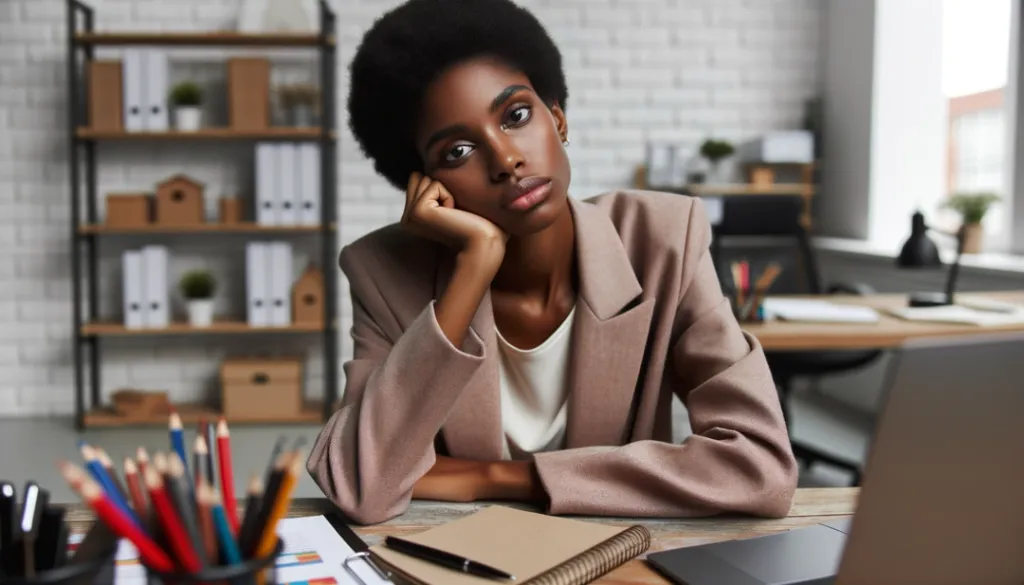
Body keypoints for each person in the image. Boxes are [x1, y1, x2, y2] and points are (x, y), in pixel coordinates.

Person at [306, 0, 798, 525]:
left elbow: (760, 468)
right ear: (426, 187)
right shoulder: (381, 272)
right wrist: (474, 269)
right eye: (457, 152)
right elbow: (361, 485)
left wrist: (493, 476)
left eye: (516, 116)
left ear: (557, 117)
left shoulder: (662, 243)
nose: (505, 160)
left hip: (615, 560)